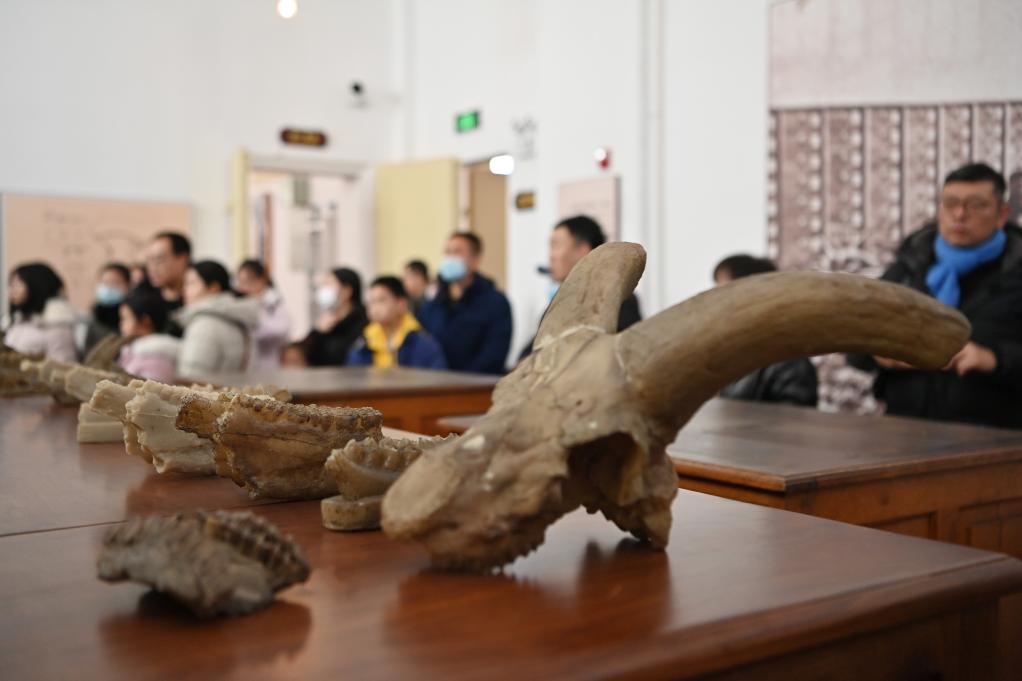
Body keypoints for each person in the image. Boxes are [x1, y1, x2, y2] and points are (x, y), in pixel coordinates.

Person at [849, 162, 1022, 429]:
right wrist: (878, 351)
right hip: (904, 427)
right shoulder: (909, 267)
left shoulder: (1015, 272)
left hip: (993, 432)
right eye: (951, 203)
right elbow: (853, 342)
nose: (960, 215)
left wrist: (994, 359)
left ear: (1002, 214)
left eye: (976, 205)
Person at [518, 215, 641, 360]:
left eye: (556, 246)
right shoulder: (562, 299)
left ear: (583, 251)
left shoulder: (618, 299)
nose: (551, 256)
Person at [713, 254, 818, 407]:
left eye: (724, 294)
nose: (717, 304)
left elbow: (795, 417)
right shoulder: (731, 355)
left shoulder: (789, 362)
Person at [418, 232, 512, 375]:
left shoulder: (495, 303)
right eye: (447, 252)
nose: (450, 258)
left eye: (457, 252)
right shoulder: (432, 306)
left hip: (476, 384)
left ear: (476, 260)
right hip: (436, 383)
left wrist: (461, 381)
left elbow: (494, 355)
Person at [176, 260, 258, 378]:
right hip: (232, 388)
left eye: (191, 283)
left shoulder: (205, 325)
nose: (184, 290)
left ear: (213, 287)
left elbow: (191, 378)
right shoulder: (237, 320)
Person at [347, 276, 446, 369]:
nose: (374, 307)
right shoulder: (364, 342)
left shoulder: (423, 344)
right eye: (371, 301)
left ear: (401, 304)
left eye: (381, 300)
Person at [3, 262, 78, 362]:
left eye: (17, 284)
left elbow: (64, 367)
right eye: (11, 285)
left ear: (36, 286)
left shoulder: (56, 325)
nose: (12, 291)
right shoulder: (15, 322)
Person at [297, 267, 368, 366]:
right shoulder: (325, 321)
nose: (324, 290)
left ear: (347, 291)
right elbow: (308, 356)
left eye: (329, 284)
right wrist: (319, 332)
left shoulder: (364, 321)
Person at [235, 259, 291, 370]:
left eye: (248, 281)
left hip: (269, 364)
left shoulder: (273, 302)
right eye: (240, 282)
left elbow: (282, 329)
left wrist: (254, 325)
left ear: (262, 280)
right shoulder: (240, 303)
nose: (243, 287)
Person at [117, 288, 180, 383]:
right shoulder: (132, 350)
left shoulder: (158, 356)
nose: (121, 324)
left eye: (125, 318)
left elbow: (151, 391)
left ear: (146, 320)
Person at [145, 232, 191, 337]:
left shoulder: (198, 300)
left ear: (183, 259)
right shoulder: (144, 299)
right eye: (149, 260)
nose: (152, 267)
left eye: (159, 259)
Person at [83, 262, 132, 356]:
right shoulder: (94, 315)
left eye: (115, 283)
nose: (109, 287)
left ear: (128, 285)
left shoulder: (131, 316)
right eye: (105, 283)